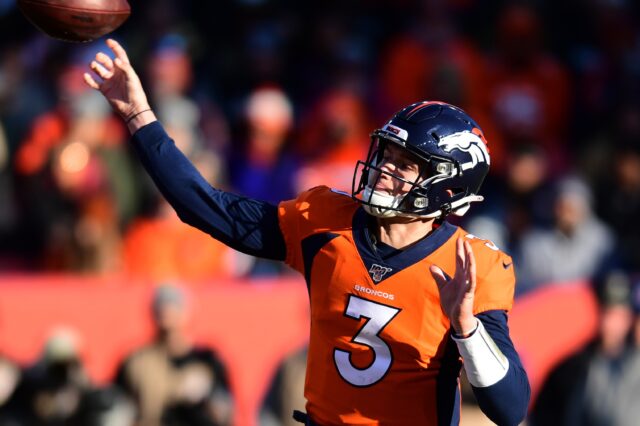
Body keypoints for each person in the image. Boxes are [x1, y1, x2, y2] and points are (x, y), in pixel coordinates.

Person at [85, 38, 530, 425]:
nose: (383, 170)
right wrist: (139, 116)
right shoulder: (325, 221)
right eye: (386, 154)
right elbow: (204, 207)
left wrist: (466, 327)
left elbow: (509, 408)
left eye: (404, 164)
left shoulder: (472, 266)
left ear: (446, 187)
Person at [114, 284, 233, 426]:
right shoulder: (137, 362)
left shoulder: (208, 361)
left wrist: (208, 403)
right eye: (162, 308)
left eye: (174, 307)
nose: (168, 314)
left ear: (186, 312)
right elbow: (117, 406)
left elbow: (225, 410)